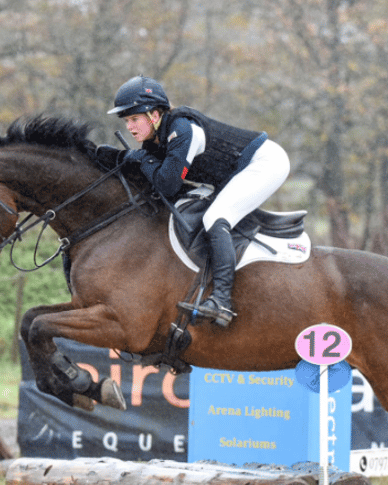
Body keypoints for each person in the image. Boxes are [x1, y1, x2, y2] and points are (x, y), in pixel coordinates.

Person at [107, 76, 290, 328]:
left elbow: (167, 184)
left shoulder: (182, 130)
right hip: (234, 173)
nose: (130, 127)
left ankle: (222, 301)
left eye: (134, 119)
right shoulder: (156, 139)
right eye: (126, 121)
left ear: (155, 114)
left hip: (265, 162)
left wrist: (140, 158)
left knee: (215, 218)